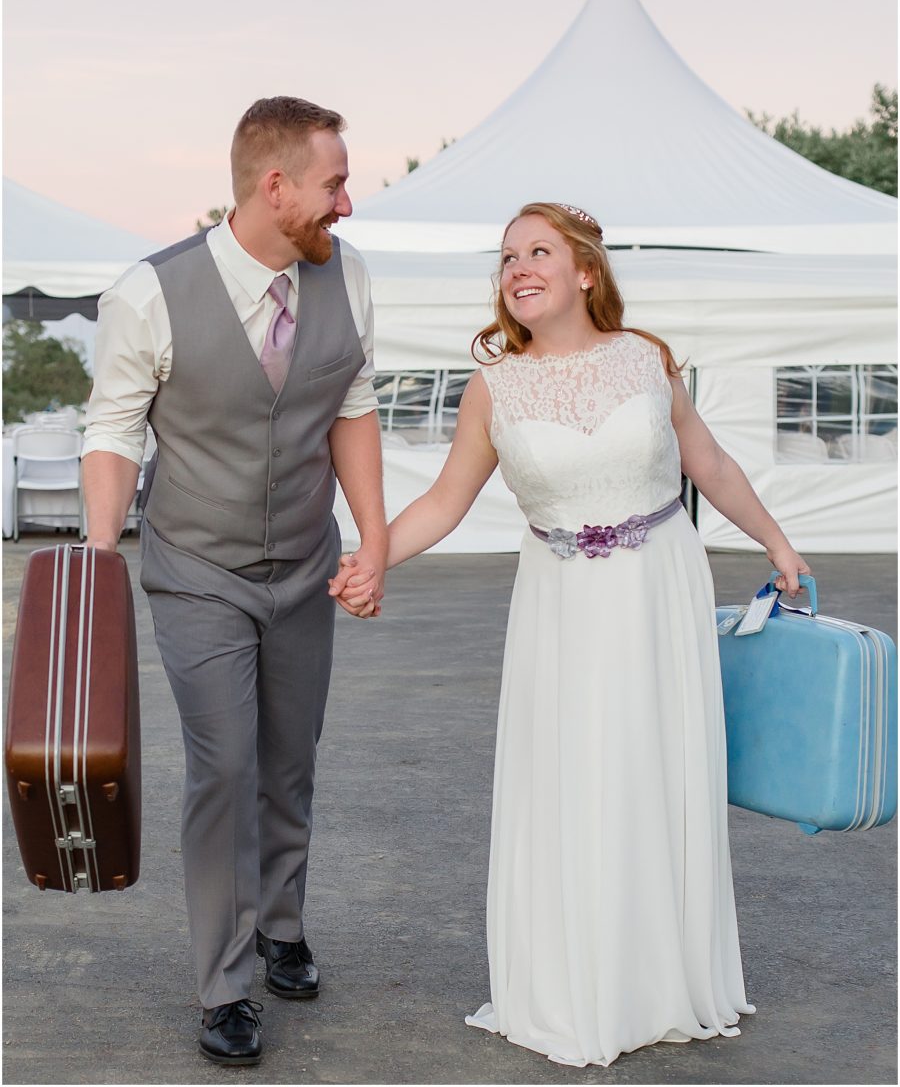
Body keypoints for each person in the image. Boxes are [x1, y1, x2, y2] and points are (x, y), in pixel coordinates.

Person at [331, 200, 811, 1070]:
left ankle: (663, 977)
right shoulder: (493, 388)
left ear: (585, 271)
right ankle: (576, 983)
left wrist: (778, 543)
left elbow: (710, 465)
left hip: (658, 590)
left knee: (655, 772)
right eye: (507, 256)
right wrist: (374, 559)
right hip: (559, 605)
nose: (518, 267)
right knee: (575, 778)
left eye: (538, 251)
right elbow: (444, 501)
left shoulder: (648, 361)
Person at [82, 96, 387, 1067]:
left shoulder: (351, 281)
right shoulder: (151, 292)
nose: (348, 200)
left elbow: (353, 407)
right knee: (225, 765)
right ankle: (223, 983)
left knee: (290, 758)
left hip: (303, 564)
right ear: (276, 186)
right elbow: (112, 429)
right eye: (335, 181)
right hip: (198, 571)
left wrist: (373, 540)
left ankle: (281, 923)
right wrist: (96, 564)